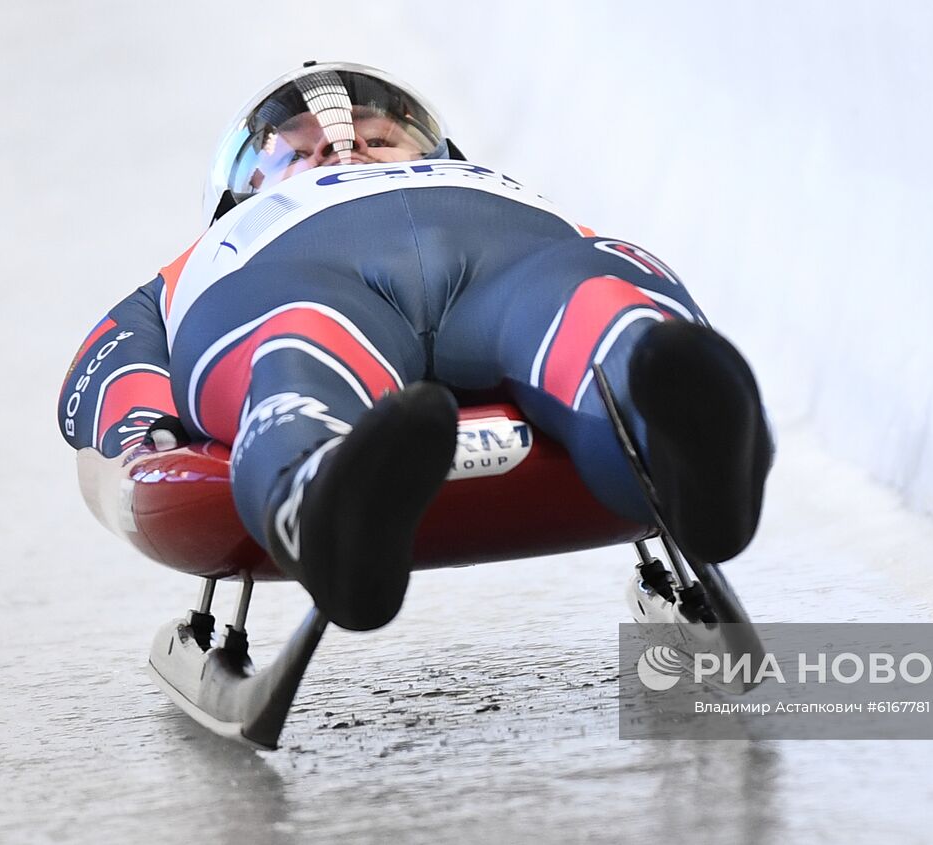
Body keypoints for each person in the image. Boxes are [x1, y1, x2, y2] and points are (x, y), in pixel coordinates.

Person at [57, 61, 773, 632]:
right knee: (298, 341)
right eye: (300, 151)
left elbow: (619, 264)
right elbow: (113, 351)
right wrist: (142, 433)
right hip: (294, 283)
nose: (341, 146)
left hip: (512, 262)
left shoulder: (499, 186)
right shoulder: (209, 253)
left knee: (596, 306)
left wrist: (676, 355)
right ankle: (329, 508)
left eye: (373, 135)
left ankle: (692, 467)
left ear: (433, 150)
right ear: (240, 193)